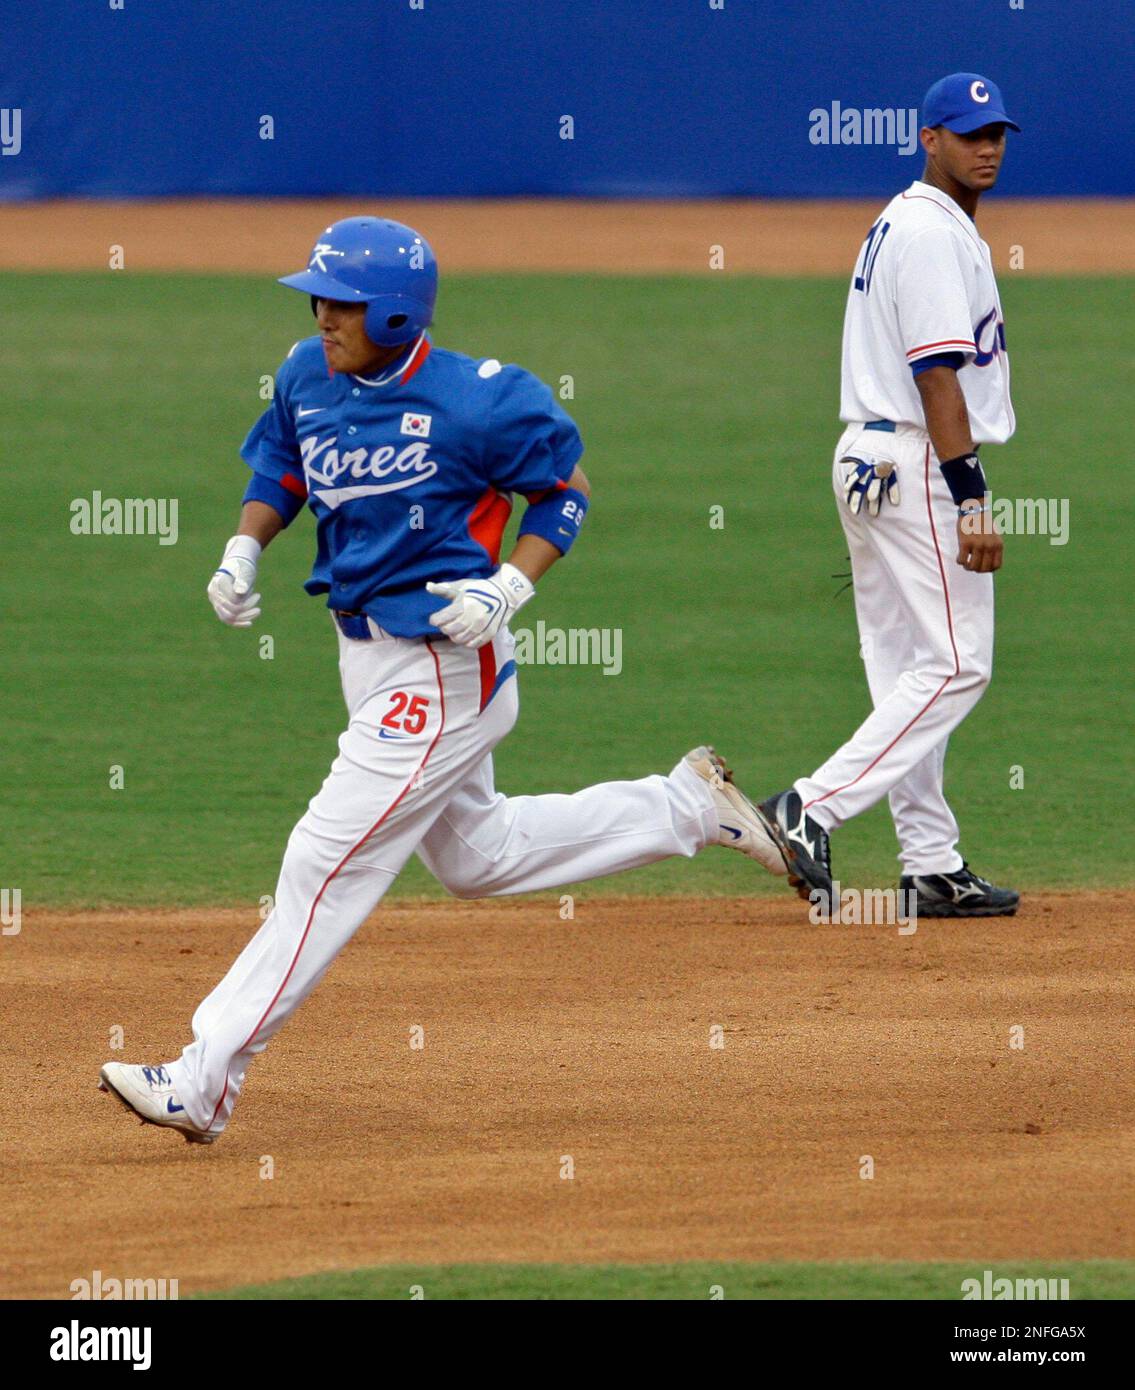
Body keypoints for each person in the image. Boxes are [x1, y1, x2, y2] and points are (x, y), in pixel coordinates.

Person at [98, 216, 783, 1144]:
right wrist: (241, 548)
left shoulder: (483, 401)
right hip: (365, 656)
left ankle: (202, 1078)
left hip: (443, 663)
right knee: (477, 856)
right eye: (316, 296)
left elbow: (565, 490)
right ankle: (688, 808)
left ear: (390, 312)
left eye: (338, 300)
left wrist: (509, 585)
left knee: (323, 861)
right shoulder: (308, 372)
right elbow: (283, 465)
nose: (319, 313)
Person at [755, 73, 1022, 920]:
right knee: (955, 663)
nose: (985, 147)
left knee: (907, 666)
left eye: (995, 134)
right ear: (928, 139)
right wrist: (971, 496)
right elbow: (935, 370)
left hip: (868, 459)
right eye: (967, 133)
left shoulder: (907, 220)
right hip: (913, 463)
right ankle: (807, 808)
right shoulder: (932, 234)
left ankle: (930, 862)